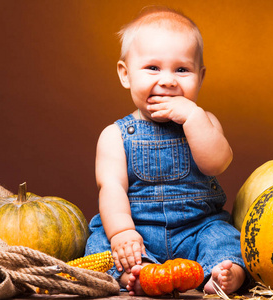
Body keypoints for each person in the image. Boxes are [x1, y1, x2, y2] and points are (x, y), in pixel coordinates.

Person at [84, 6, 247, 296]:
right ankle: (139, 272)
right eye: (153, 68)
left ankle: (222, 273)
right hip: (139, 231)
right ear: (126, 74)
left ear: (201, 76)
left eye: (182, 70)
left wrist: (193, 117)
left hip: (197, 227)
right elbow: (111, 189)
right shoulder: (114, 135)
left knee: (225, 238)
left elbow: (217, 163)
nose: (169, 80)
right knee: (101, 245)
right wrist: (122, 233)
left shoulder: (205, 122)